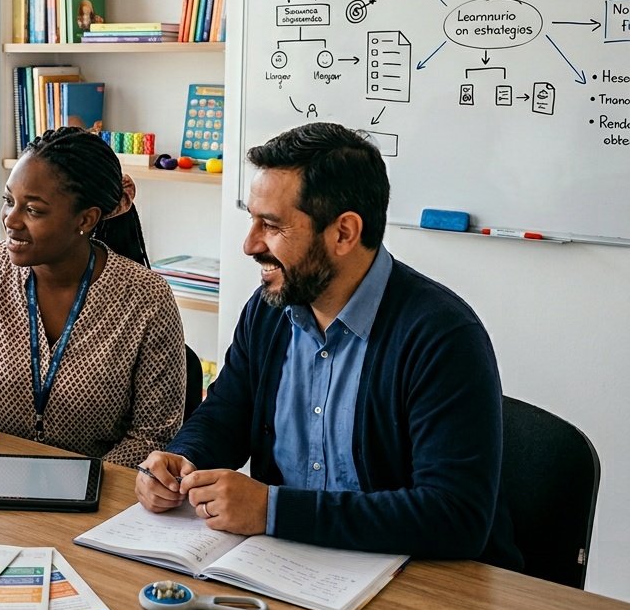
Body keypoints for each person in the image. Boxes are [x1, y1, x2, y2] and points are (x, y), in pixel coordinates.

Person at [136, 122, 522, 569]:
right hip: (291, 567)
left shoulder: (442, 336)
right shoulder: (269, 311)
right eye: (251, 219)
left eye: (272, 225)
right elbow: (225, 414)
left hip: (424, 586)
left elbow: (455, 517)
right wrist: (181, 459)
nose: (249, 244)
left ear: (343, 233)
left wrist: (273, 510)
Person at [0, 126, 185, 468]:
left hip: (100, 498)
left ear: (86, 219)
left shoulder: (147, 298)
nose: (11, 220)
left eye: (33, 210)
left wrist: (86, 481)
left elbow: (155, 435)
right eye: (9, 201)